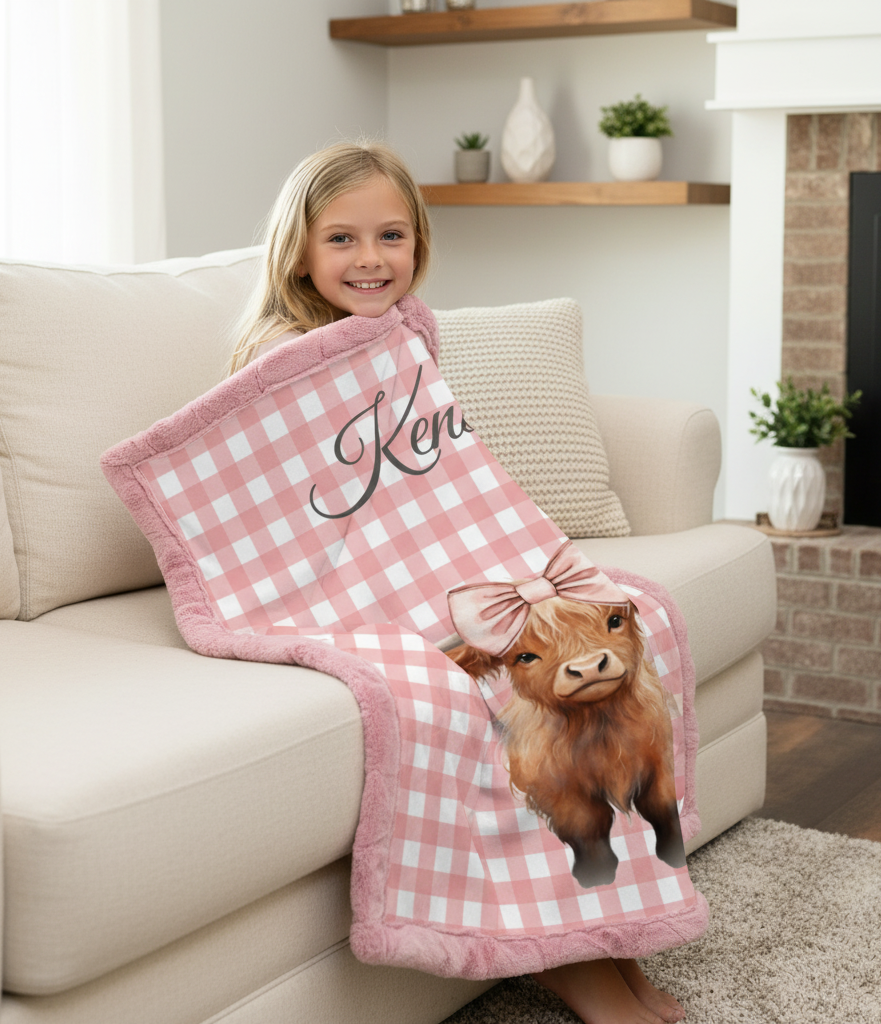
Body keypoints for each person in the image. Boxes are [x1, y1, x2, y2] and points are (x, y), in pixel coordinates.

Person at [227, 140, 687, 1024]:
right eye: (343, 240)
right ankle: (573, 963)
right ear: (297, 250)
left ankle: (610, 929)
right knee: (507, 695)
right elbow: (301, 515)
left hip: (427, 567)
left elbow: (439, 477)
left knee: (609, 641)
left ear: (420, 240)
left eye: (391, 235)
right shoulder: (278, 355)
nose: (371, 259)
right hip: (342, 587)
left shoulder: (404, 334)